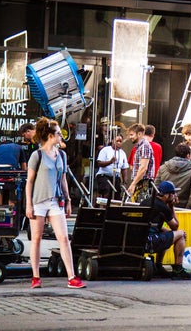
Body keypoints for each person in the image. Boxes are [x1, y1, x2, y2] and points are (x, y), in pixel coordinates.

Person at [25, 117, 85, 290]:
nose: (61, 136)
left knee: (64, 238)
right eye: (59, 133)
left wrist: (68, 200)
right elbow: (29, 181)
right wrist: (28, 205)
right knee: (36, 238)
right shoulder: (37, 155)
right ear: (51, 135)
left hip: (55, 201)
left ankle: (71, 276)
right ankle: (35, 276)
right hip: (39, 201)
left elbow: (63, 179)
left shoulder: (62, 155)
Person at [140, 181, 191, 279]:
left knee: (167, 234)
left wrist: (168, 232)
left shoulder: (146, 201)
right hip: (150, 241)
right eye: (173, 193)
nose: (175, 195)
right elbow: (175, 226)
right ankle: (178, 269)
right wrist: (172, 207)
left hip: (140, 239)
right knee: (181, 234)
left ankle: (158, 266)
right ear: (167, 195)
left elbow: (153, 226)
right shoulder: (163, 207)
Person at [155, 143, 191, 209]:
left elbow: (156, 188)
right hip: (184, 207)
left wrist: (161, 204)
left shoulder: (163, 168)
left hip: (165, 206)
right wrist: (188, 207)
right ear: (188, 155)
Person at [94, 134, 129, 202]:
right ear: (113, 141)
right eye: (117, 141)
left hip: (116, 176)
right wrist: (110, 162)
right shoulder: (105, 150)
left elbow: (124, 169)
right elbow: (99, 163)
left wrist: (125, 182)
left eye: (120, 141)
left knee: (117, 195)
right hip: (104, 176)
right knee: (107, 191)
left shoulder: (122, 153)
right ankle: (103, 208)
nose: (118, 143)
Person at [126, 123, 155, 202]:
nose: (130, 137)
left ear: (139, 134)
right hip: (140, 183)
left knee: (139, 210)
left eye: (132, 134)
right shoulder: (140, 146)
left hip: (143, 184)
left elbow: (143, 168)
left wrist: (133, 184)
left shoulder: (144, 146)